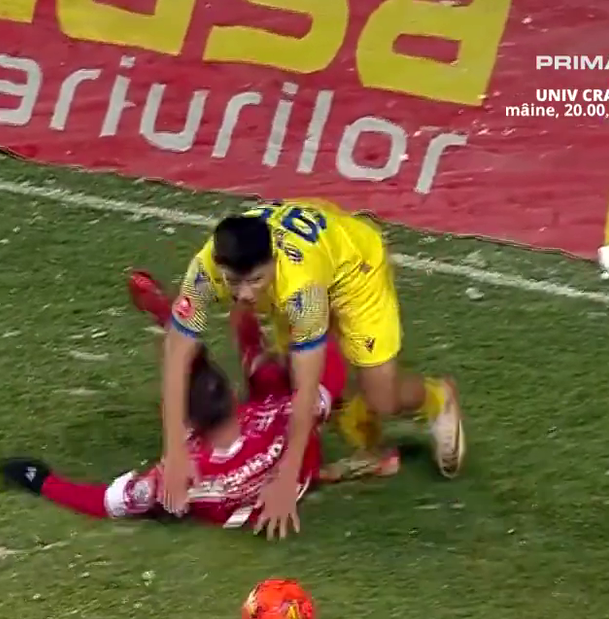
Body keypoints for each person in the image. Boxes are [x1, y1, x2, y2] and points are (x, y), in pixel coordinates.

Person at [0, 271, 389, 538]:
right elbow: (328, 377)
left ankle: (179, 316)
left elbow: (104, 502)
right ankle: (235, 317)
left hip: (240, 488)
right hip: (295, 467)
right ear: (233, 397)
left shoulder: (180, 476)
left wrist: (39, 479)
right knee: (272, 371)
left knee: (261, 369)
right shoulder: (284, 414)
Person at [159, 199, 465, 537]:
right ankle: (371, 447)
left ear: (273, 261)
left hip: (357, 271)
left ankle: (437, 396)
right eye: (233, 281)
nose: (244, 294)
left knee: (381, 399)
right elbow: (177, 353)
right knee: (289, 370)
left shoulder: (302, 292)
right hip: (315, 247)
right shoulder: (205, 270)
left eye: (255, 280)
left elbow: (307, 388)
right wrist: (174, 452)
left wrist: (287, 479)